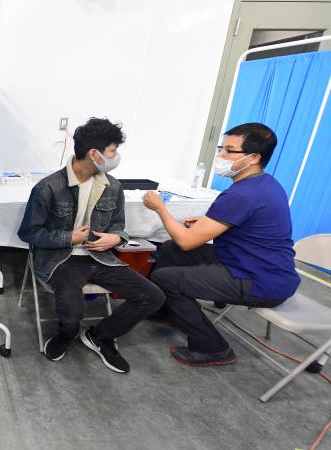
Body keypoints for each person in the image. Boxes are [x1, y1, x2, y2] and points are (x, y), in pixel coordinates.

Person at [143, 122, 301, 366]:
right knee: (170, 249)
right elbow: (245, 222)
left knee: (167, 276)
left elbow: (187, 241)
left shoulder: (243, 194)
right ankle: (168, 311)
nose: (221, 156)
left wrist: (160, 209)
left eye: (229, 151)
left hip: (260, 280)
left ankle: (213, 348)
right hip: (249, 263)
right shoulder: (264, 184)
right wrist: (211, 222)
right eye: (221, 148)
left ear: (254, 157)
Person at [18, 118, 165, 373]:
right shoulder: (48, 188)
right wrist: (69, 238)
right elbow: (29, 233)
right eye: (112, 151)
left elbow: (119, 225)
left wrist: (117, 238)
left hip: (100, 256)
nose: (116, 156)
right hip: (60, 258)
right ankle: (67, 334)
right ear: (94, 154)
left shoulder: (113, 186)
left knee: (152, 296)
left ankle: (100, 336)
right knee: (73, 313)